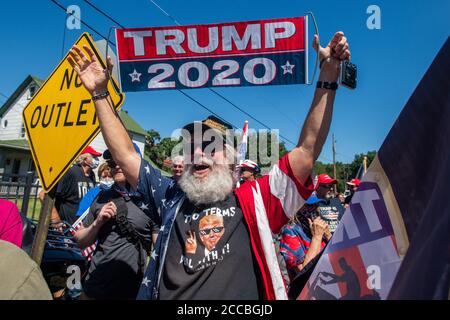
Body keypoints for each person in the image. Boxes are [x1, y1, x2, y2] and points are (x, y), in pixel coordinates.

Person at [68, 30, 351, 300]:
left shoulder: (257, 200)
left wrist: (327, 74)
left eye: (211, 147)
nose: (199, 154)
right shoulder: (170, 197)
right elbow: (127, 156)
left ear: (230, 161)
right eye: (192, 147)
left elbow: (306, 149)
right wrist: (100, 93)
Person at [74, 148, 157, 299]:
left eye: (121, 160)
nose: (117, 165)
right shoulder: (102, 197)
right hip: (94, 287)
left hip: (132, 290)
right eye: (113, 162)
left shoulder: (150, 201)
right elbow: (80, 241)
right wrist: (97, 224)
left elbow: (159, 252)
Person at [280, 195, 331, 298]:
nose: (315, 208)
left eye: (316, 204)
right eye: (309, 205)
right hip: (305, 293)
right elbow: (303, 272)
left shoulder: (316, 228)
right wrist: (317, 237)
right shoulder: (290, 231)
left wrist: (329, 236)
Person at [40, 146, 102, 225]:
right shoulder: (71, 172)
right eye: (94, 157)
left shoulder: (92, 175)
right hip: (66, 227)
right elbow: (44, 195)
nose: (97, 160)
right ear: (85, 160)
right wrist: (56, 220)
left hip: (82, 226)